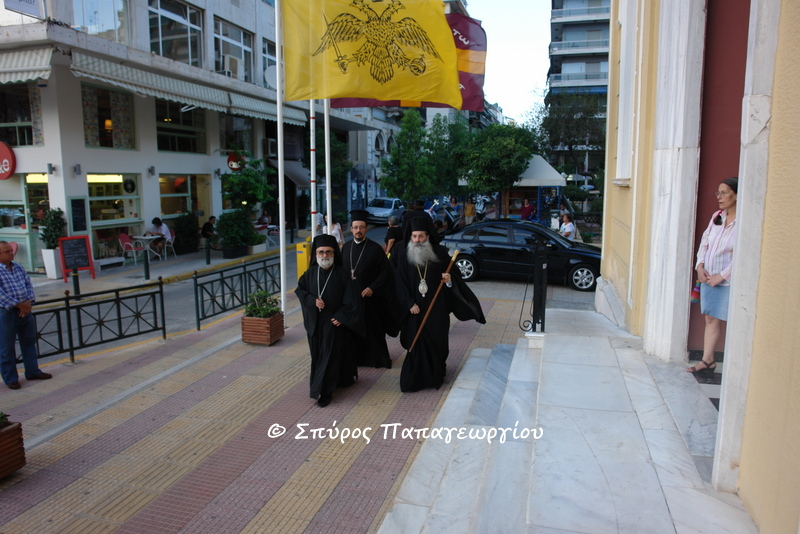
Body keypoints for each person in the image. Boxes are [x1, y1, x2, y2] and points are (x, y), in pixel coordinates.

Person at [394, 218, 485, 392]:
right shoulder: (405, 255)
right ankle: (416, 379)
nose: (418, 240)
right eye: (414, 236)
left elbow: (454, 275)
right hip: (415, 310)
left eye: (421, 236)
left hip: (437, 310)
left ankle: (435, 374)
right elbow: (399, 282)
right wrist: (409, 303)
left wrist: (449, 280)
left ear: (428, 236)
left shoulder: (440, 253)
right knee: (416, 343)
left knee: (438, 342)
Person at [295, 234, 363, 407]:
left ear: (334, 254)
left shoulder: (343, 274)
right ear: (315, 254)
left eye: (328, 252)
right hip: (315, 323)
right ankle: (340, 380)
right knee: (319, 356)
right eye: (321, 252)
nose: (324, 256)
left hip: (334, 323)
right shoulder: (310, 273)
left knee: (329, 357)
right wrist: (312, 300)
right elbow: (300, 291)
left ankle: (323, 392)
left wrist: (342, 317)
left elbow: (353, 299)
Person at [688, 177, 738, 373]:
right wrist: (699, 266)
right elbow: (705, 242)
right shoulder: (717, 217)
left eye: (724, 193)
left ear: (737, 195)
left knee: (732, 320)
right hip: (708, 278)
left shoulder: (743, 221)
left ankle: (735, 368)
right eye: (718, 193)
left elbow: (743, 253)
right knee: (710, 319)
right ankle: (707, 360)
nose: (719, 197)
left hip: (727, 281)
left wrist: (722, 276)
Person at [342, 209, 399, 369]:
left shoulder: (375, 249)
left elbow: (386, 273)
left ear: (366, 229)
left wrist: (373, 288)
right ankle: (356, 359)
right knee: (353, 330)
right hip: (351, 299)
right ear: (351, 229)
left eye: (361, 227)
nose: (358, 230)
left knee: (373, 330)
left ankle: (376, 360)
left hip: (371, 299)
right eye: (355, 227)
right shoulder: (346, 248)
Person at [0, 241, 52, 390]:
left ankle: (33, 371)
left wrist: (28, 305)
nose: (11, 253)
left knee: (29, 342)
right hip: (6, 312)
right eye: (7, 251)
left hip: (25, 310)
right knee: (6, 347)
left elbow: (28, 285)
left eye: (11, 250)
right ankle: (11, 378)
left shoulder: (18, 267)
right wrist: (18, 304)